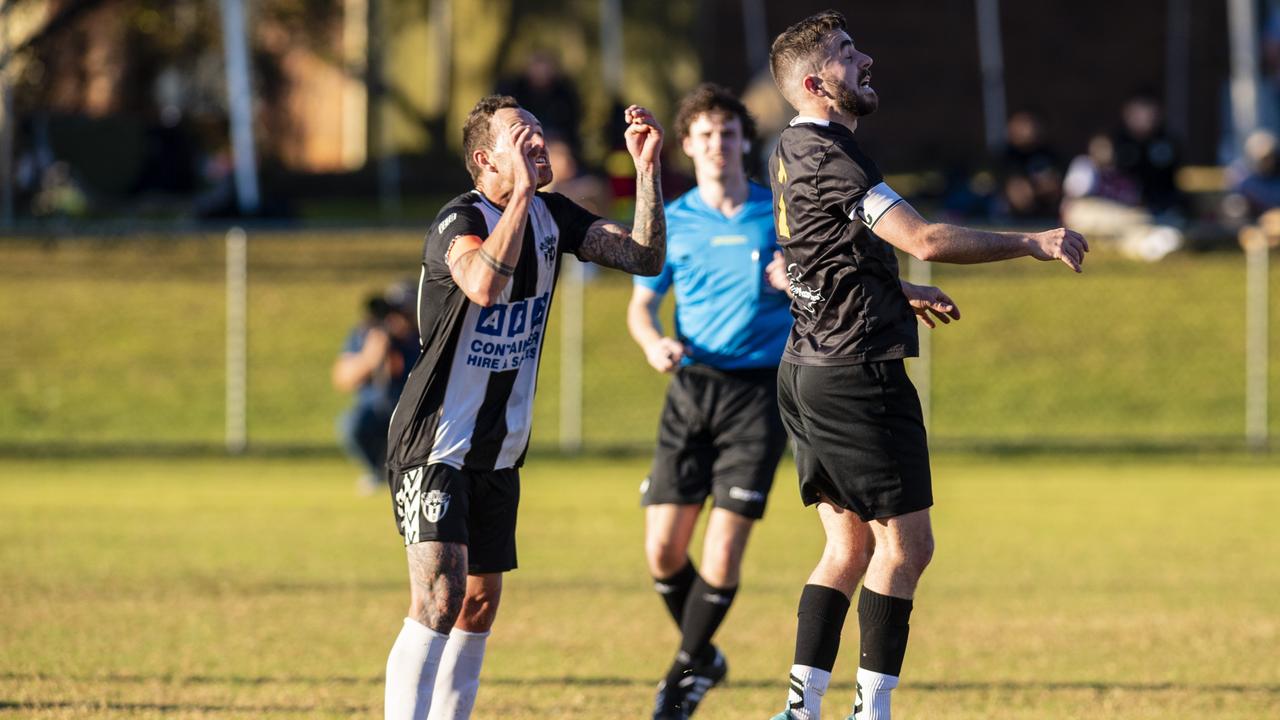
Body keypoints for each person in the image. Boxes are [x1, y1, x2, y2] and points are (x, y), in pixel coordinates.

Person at [765, 12, 1088, 720]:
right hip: (857, 375)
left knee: (846, 548)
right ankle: (868, 713)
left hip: (808, 369)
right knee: (907, 549)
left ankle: (799, 710)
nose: (867, 60)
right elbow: (926, 238)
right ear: (818, 84)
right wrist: (1032, 242)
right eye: (849, 55)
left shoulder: (789, 148)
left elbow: (807, 259)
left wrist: (895, 291)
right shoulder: (836, 157)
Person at [380, 94, 666, 720]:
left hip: (500, 449)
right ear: (486, 159)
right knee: (439, 595)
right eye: (520, 136)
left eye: (540, 130)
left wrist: (645, 171)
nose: (538, 140)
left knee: (479, 603)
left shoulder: (554, 216)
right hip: (436, 443)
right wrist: (523, 198)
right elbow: (483, 283)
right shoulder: (459, 220)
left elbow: (645, 257)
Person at [628, 83, 792, 720]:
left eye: (728, 133)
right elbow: (642, 307)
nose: (718, 144)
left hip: (758, 394)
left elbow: (821, 284)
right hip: (691, 390)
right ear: (688, 147)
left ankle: (682, 674)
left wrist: (793, 280)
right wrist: (653, 345)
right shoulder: (675, 219)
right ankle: (706, 658)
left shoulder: (777, 213)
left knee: (723, 550)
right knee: (664, 551)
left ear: (744, 141)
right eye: (704, 136)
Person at [332, 283, 421, 495]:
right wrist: (370, 358)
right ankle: (377, 473)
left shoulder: (426, 338)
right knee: (352, 424)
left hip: (414, 413)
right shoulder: (367, 335)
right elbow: (342, 378)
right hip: (376, 410)